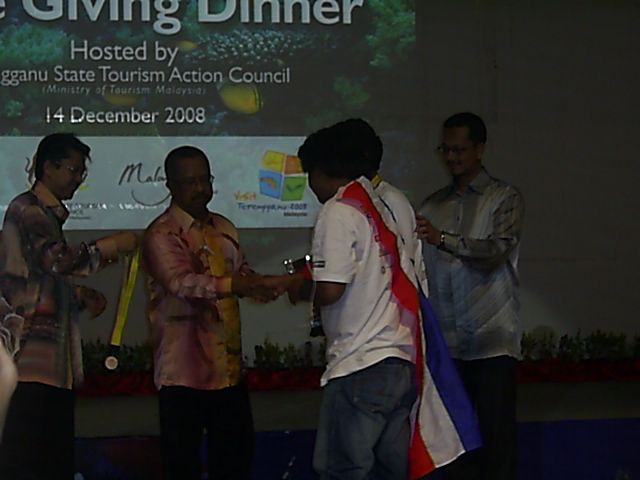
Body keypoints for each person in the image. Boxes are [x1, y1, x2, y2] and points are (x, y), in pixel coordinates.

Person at [0, 133, 138, 480]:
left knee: (52, 460)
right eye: (73, 170)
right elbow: (56, 260)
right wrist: (111, 245)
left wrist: (77, 294)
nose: (78, 179)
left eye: (81, 172)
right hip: (30, 361)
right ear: (48, 167)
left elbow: (37, 280)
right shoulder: (29, 209)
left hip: (49, 365)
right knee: (28, 461)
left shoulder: (44, 214)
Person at [141, 145, 279, 480]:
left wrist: (269, 285)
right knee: (182, 467)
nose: (201, 189)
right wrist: (237, 284)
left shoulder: (225, 227)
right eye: (191, 182)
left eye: (206, 180)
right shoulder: (161, 233)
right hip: (183, 373)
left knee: (235, 463)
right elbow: (182, 283)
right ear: (170, 185)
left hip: (228, 372)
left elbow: (241, 275)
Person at [298, 127, 418, 480]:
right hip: (399, 357)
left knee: (344, 468)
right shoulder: (375, 204)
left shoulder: (338, 210)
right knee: (389, 470)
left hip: (361, 362)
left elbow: (331, 289)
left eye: (308, 175)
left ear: (319, 170)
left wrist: (302, 289)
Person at [417, 112, 525, 480]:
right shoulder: (431, 206)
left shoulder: (504, 198)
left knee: (497, 442)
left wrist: (442, 239)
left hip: (491, 341)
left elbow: (495, 252)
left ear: (479, 149)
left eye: (459, 150)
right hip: (448, 345)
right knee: (454, 445)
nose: (451, 158)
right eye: (445, 150)